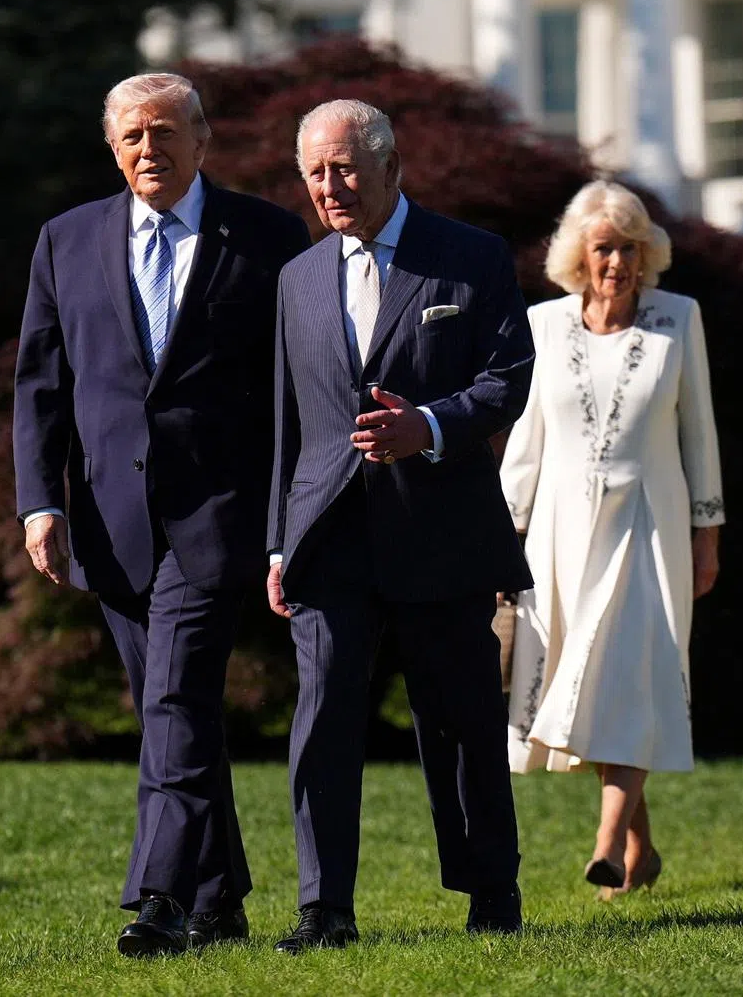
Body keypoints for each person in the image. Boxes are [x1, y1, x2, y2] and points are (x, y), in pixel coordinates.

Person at [13, 73, 309, 955]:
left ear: (203, 140)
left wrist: (291, 514)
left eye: (168, 132)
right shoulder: (66, 240)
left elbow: (296, 383)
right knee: (169, 712)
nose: (152, 149)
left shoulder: (266, 237)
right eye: (134, 136)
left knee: (177, 694)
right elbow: (40, 383)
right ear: (112, 147)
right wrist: (39, 501)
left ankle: (162, 898)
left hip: (218, 515)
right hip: (110, 521)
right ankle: (222, 900)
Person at [267, 99, 534, 952]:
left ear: (391, 166)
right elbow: (288, 422)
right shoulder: (297, 278)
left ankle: (491, 890)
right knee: (322, 722)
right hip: (328, 537)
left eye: (344, 168)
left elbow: (509, 377)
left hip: (441, 530)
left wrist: (429, 425)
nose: (329, 187)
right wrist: (280, 540)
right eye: (315, 172)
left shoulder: (470, 257)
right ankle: (323, 909)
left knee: (458, 721)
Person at [499, 181, 724, 898]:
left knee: (628, 672)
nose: (618, 263)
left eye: (630, 248)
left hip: (651, 527)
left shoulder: (678, 319)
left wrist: (708, 530)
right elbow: (526, 444)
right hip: (561, 536)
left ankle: (607, 844)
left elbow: (701, 434)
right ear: (578, 254)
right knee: (587, 685)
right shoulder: (542, 325)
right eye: (605, 248)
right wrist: (504, 538)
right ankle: (642, 848)